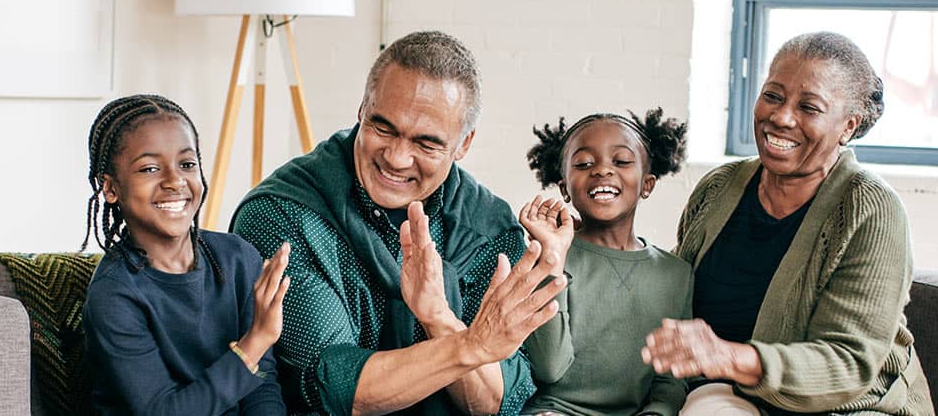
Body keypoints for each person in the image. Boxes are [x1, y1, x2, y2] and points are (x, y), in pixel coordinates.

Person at [230, 31, 565, 415]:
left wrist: (438, 317)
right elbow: (334, 389)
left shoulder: (488, 228)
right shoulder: (283, 214)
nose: (397, 157)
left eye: (426, 144)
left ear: (464, 144)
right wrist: (468, 346)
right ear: (362, 108)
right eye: (383, 127)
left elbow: (494, 404)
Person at [640, 32, 935, 415]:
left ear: (848, 126)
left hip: (852, 407)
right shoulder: (719, 188)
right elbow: (673, 290)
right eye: (773, 96)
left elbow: (848, 364)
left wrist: (727, 357)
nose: (781, 117)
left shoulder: (870, 207)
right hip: (736, 396)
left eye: (809, 107)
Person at [81, 94, 288, 415]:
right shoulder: (114, 293)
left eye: (187, 164)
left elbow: (262, 384)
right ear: (110, 188)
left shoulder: (238, 259)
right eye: (150, 168)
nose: (175, 180)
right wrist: (255, 341)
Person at [516, 109, 693, 416]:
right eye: (584, 164)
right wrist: (552, 259)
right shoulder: (547, 258)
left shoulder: (676, 274)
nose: (602, 171)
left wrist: (657, 412)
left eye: (621, 161)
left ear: (647, 184)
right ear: (564, 189)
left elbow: (671, 380)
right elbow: (550, 368)